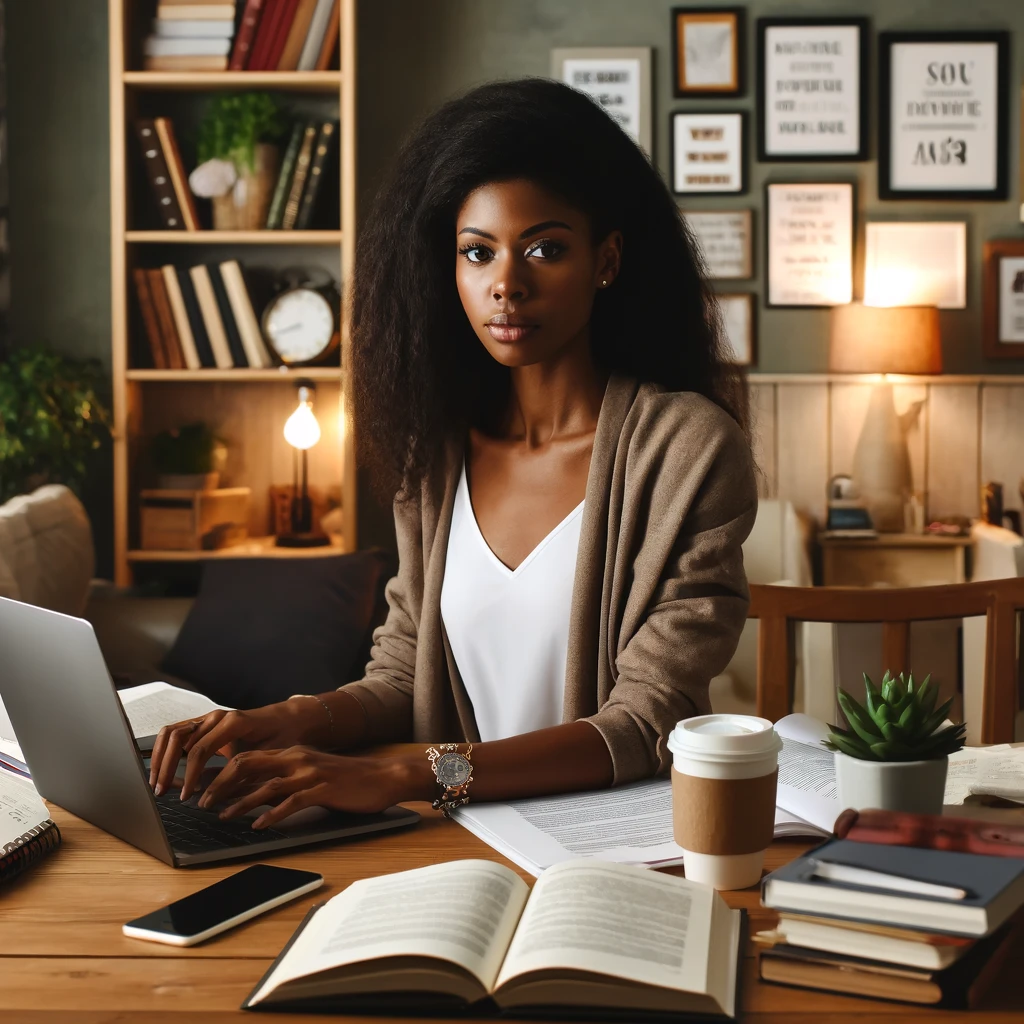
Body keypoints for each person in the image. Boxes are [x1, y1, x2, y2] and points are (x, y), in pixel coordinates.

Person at [149, 78, 757, 829]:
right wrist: (294, 718)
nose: (507, 284)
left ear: (606, 259)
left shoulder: (688, 450)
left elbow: (642, 726)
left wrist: (407, 775)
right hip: (451, 839)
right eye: (478, 252)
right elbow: (407, 674)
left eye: (545, 248)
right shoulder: (434, 451)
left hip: (610, 846)